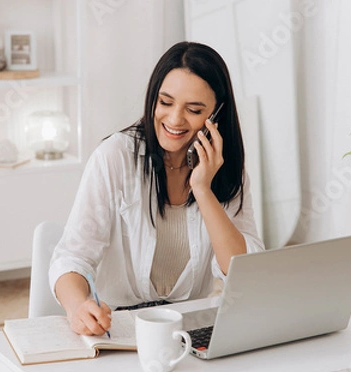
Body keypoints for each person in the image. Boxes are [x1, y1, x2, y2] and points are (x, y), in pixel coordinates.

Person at [49, 41, 264, 336]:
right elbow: (72, 257)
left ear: (216, 115)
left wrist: (202, 189)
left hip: (188, 327)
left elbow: (246, 273)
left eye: (194, 109)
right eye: (165, 102)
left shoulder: (223, 169)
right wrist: (78, 307)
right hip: (118, 327)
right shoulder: (115, 156)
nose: (174, 119)